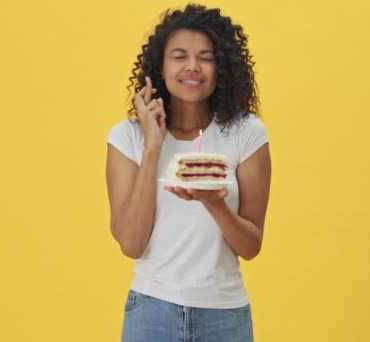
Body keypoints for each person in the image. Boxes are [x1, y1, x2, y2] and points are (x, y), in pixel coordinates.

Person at [106, 3, 271, 341]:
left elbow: (251, 246)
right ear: (160, 67)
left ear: (221, 67)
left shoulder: (247, 133)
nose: (193, 66)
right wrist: (153, 147)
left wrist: (214, 203)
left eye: (206, 57)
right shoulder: (127, 138)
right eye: (179, 56)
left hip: (225, 316)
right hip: (151, 311)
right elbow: (131, 244)